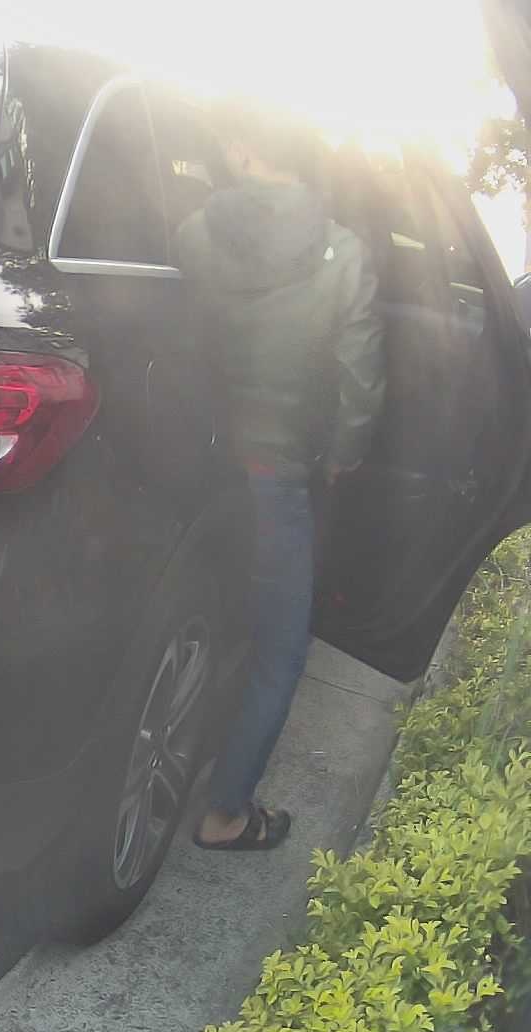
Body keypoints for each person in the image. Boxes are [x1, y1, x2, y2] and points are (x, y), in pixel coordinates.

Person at [173, 104, 386, 851]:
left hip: (194, 470)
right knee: (279, 651)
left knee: (196, 620)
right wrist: (344, 453)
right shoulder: (344, 253)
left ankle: (187, 756)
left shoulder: (192, 233)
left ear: (240, 150)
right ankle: (226, 813)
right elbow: (361, 378)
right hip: (277, 479)